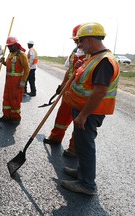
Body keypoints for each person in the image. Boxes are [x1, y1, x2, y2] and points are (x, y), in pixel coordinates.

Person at [61, 22, 120, 195]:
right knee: (81, 144)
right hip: (82, 109)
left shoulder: (104, 61)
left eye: (80, 41)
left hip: (89, 112)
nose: (78, 45)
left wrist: (83, 115)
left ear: (90, 40)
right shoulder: (94, 57)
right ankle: (82, 173)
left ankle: (87, 184)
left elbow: (100, 91)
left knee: (86, 146)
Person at [43, 24, 89, 158]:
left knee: (78, 121)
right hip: (69, 90)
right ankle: (55, 138)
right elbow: (69, 71)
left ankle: (74, 149)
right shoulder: (74, 52)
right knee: (62, 115)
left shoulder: (91, 54)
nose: (77, 43)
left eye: (79, 40)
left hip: (81, 94)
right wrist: (62, 85)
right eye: (76, 40)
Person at [0, 36, 30, 124]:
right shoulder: (10, 54)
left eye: (11, 46)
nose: (9, 47)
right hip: (8, 82)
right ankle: (6, 116)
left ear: (16, 45)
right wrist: (3, 62)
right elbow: (9, 66)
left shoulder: (21, 54)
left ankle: (15, 117)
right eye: (8, 46)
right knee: (6, 99)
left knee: (15, 100)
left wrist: (23, 81)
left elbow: (27, 68)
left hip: (16, 82)